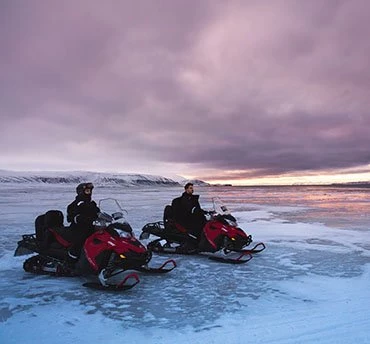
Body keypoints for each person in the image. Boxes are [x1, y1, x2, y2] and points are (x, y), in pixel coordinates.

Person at [66, 182, 100, 263]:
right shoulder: (75, 204)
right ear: (81, 192)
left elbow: (98, 212)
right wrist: (79, 218)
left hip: (91, 227)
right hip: (78, 229)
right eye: (87, 191)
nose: (89, 193)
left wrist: (105, 217)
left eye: (90, 191)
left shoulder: (92, 203)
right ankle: (71, 261)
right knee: (81, 241)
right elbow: (70, 217)